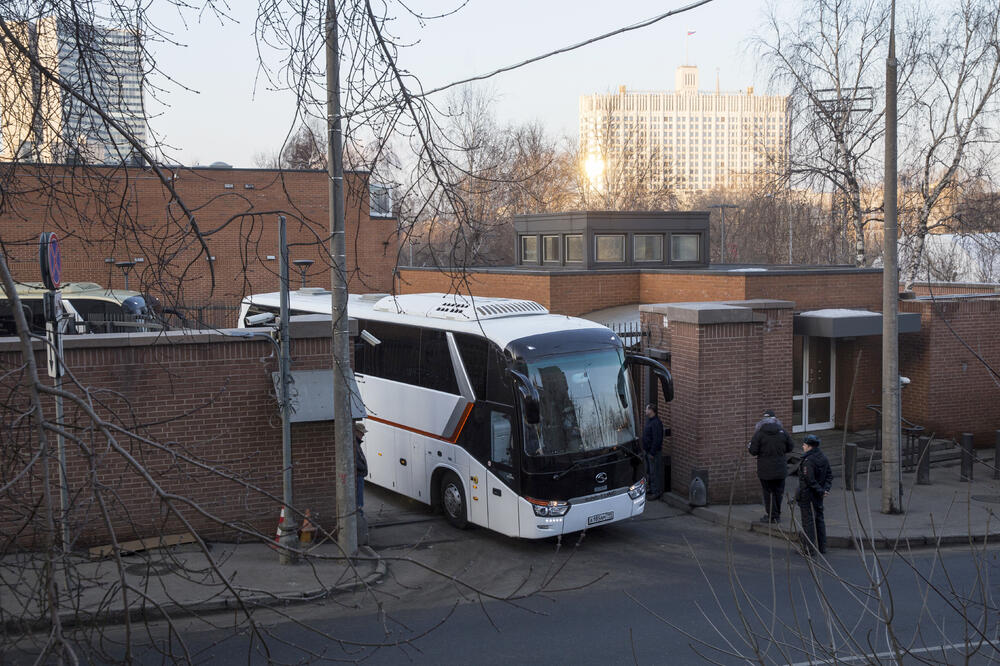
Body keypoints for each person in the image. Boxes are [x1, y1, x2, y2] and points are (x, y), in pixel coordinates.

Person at [748, 408, 793, 524]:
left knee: (768, 493)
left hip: (765, 470)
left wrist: (750, 446)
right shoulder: (783, 432)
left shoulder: (759, 434)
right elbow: (790, 447)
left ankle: (771, 516)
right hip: (780, 469)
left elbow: (753, 451)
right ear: (775, 420)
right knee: (778, 492)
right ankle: (777, 515)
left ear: (764, 420)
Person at [796, 434, 833, 556]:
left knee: (808, 522)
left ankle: (809, 549)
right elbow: (829, 475)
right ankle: (822, 546)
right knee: (819, 519)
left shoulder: (808, 461)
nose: (803, 446)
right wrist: (825, 489)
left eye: (804, 444)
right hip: (818, 495)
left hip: (808, 495)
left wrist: (821, 490)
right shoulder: (823, 457)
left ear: (809, 446)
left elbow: (809, 480)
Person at [642, 404, 664, 500]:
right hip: (648, 451)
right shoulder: (650, 421)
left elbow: (657, 439)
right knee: (650, 472)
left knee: (654, 472)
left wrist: (652, 452)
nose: (645, 411)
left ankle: (656, 492)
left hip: (653, 453)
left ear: (651, 410)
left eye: (646, 409)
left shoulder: (656, 423)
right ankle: (651, 488)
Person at [353, 420, 369, 513]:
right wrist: (362, 468)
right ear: (356, 431)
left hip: (360, 475)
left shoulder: (356, 443)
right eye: (362, 433)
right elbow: (356, 460)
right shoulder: (355, 443)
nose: (363, 435)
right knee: (359, 499)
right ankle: (360, 515)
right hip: (359, 475)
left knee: (359, 497)